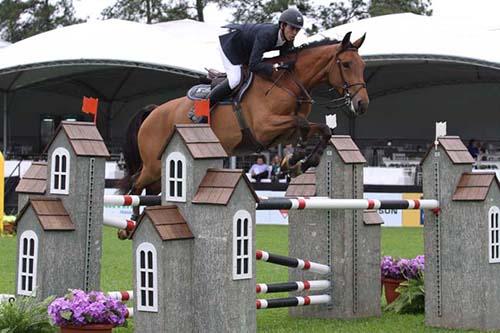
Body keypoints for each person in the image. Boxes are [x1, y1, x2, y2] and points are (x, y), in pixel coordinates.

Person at [208, 8, 304, 108]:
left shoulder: (288, 38)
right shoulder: (267, 35)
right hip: (230, 45)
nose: (294, 33)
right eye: (292, 28)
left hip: (246, 50)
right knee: (235, 80)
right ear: (282, 25)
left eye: (297, 30)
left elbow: (285, 59)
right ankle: (201, 109)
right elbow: (253, 65)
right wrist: (275, 66)